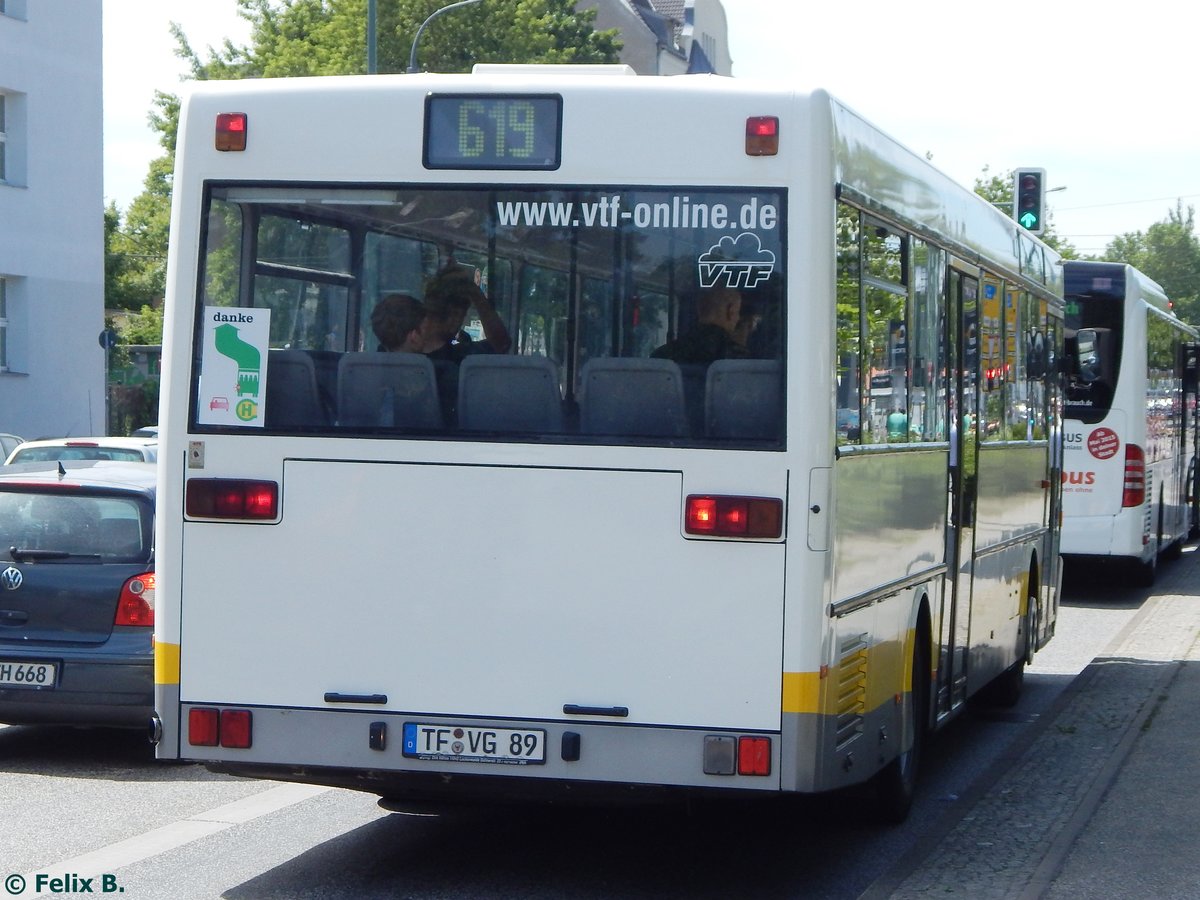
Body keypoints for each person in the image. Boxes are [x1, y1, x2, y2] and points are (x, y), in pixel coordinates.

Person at [417, 265, 512, 362]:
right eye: (449, 312)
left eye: (460, 315)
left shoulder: (463, 355)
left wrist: (474, 292)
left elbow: (502, 344)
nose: (455, 320)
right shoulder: (406, 350)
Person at [651, 286, 750, 365]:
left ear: (699, 309)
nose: (738, 318)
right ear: (731, 311)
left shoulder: (661, 356)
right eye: (738, 312)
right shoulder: (739, 359)